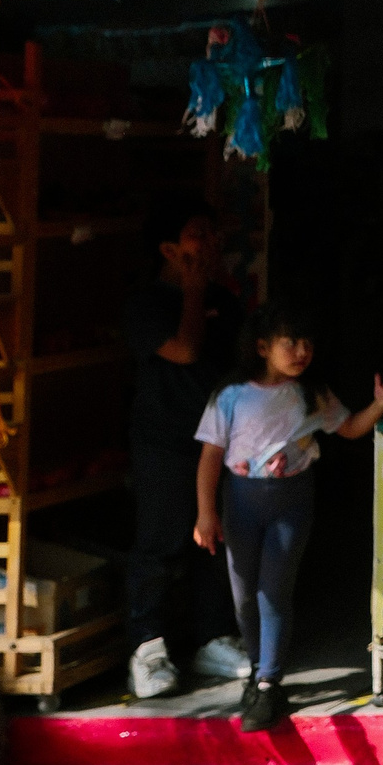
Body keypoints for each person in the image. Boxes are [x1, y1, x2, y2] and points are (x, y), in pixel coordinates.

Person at [193, 301, 383, 732]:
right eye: (290, 342)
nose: (301, 351)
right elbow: (210, 457)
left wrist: (379, 405)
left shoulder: (312, 393)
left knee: (274, 590)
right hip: (241, 502)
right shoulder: (231, 395)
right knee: (244, 593)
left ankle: (269, 681)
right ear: (263, 347)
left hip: (293, 501)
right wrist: (206, 513)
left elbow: (350, 428)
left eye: (307, 343)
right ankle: (256, 669)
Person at [121, 201, 247, 698]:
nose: (211, 242)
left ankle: (213, 638)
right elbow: (185, 350)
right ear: (168, 250)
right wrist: (192, 292)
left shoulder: (226, 300)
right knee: (160, 544)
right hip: (165, 442)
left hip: (223, 441)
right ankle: (147, 649)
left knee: (219, 542)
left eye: (213, 233)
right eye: (198, 234)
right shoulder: (145, 304)